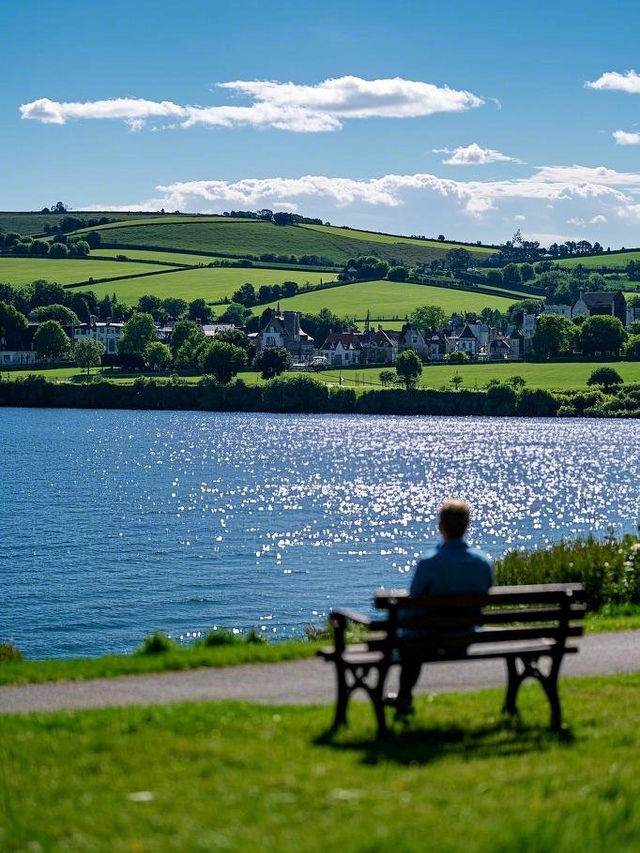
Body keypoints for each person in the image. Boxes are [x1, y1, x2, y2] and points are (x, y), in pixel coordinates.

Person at [392, 499, 494, 715]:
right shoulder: (482, 563)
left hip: (429, 639)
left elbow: (413, 604)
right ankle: (404, 698)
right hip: (465, 636)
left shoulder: (429, 563)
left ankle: (404, 697)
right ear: (467, 526)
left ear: (441, 526)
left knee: (410, 639)